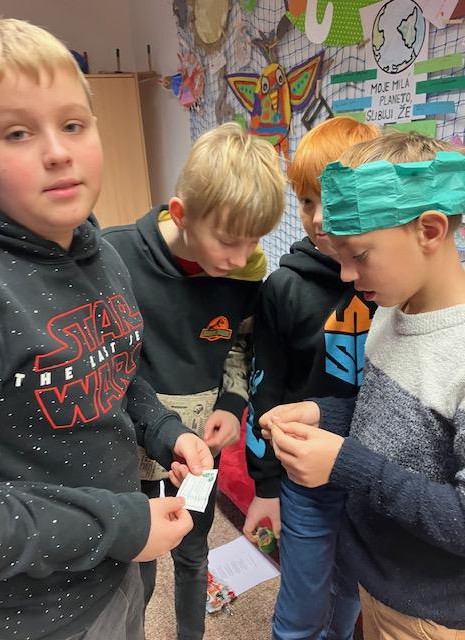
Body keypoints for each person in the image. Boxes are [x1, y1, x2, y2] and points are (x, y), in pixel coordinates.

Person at [0, 18, 213, 640]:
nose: (57, 151)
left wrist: (165, 432)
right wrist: (124, 526)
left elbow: (113, 371)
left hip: (115, 573)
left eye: (72, 125)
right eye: (17, 132)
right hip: (34, 617)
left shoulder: (103, 256)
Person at [264, 132, 465, 638]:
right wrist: (323, 414)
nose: (346, 275)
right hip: (373, 576)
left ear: (430, 230)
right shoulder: (391, 309)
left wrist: (344, 464)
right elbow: (391, 425)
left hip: (428, 613)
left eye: (359, 255)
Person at [103, 122, 286, 639]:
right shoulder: (113, 257)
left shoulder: (244, 269)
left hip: (200, 452)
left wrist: (232, 402)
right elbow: (107, 364)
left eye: (254, 241)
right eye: (228, 241)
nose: (241, 257)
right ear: (182, 215)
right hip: (131, 447)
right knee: (137, 563)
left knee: (192, 551)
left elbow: (241, 344)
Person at [243, 117, 380, 640]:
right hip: (304, 481)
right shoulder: (283, 288)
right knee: (302, 609)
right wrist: (265, 485)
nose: (318, 218)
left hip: (368, 475)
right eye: (305, 201)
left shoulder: (390, 283)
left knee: (347, 596)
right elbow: (265, 388)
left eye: (333, 199)